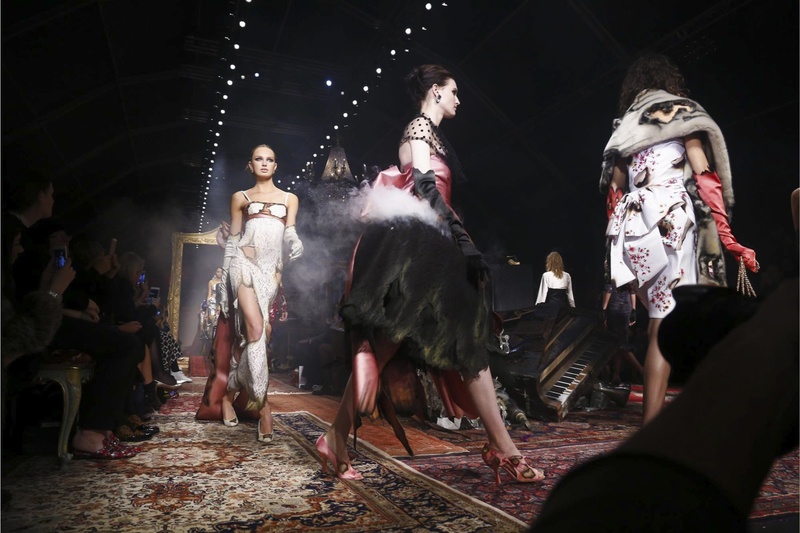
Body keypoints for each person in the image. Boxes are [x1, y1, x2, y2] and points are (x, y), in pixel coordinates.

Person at [319, 64, 544, 483]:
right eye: (454, 91)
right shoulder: (419, 127)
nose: (459, 99)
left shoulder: (431, 134)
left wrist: (457, 238)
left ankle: (502, 446)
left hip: (432, 243)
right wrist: (461, 237)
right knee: (407, 342)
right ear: (436, 91)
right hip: (421, 246)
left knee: (459, 341)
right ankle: (335, 436)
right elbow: (424, 187)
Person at [600, 55, 759, 424]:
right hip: (671, 220)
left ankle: (670, 415)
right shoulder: (683, 114)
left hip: (632, 224)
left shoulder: (624, 127)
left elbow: (614, 190)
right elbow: (704, 176)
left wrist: (615, 248)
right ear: (669, 83)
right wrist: (728, 237)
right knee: (663, 324)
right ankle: (652, 426)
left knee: (661, 319)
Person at [201, 144, 303, 444]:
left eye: (270, 159)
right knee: (256, 329)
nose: (264, 163)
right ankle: (264, 408)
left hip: (271, 273)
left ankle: (230, 393)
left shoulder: (290, 198)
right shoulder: (240, 198)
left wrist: (296, 241)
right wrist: (223, 283)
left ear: (276, 166)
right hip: (243, 266)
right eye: (259, 159)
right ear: (251, 164)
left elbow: (289, 230)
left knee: (256, 337)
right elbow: (234, 240)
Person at [601, 282, 643, 385]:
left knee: (621, 343)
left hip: (614, 308)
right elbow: (632, 292)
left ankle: (642, 371)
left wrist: (604, 310)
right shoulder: (628, 276)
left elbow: (608, 290)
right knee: (619, 343)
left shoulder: (614, 275)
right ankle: (616, 376)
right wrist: (633, 310)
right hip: (626, 308)